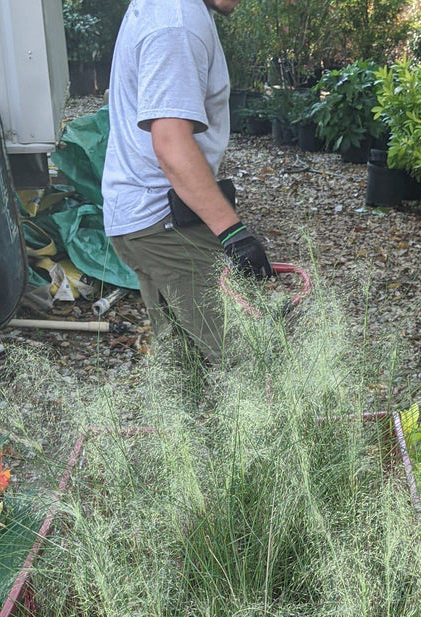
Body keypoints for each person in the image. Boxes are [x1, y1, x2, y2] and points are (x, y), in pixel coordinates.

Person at [102, 0, 272, 364]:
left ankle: (192, 422)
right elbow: (171, 145)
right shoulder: (176, 24)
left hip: (142, 220)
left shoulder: (166, 8)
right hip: (163, 224)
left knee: (186, 369)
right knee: (251, 364)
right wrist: (233, 233)